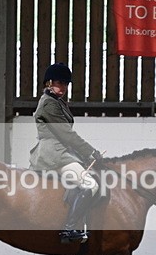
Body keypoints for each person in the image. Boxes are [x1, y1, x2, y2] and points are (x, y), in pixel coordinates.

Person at [29, 63, 103, 244]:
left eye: (65, 84)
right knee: (90, 184)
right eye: (59, 83)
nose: (62, 88)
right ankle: (69, 229)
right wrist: (90, 152)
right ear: (48, 83)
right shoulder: (49, 104)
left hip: (61, 152)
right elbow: (66, 134)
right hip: (54, 154)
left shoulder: (56, 102)